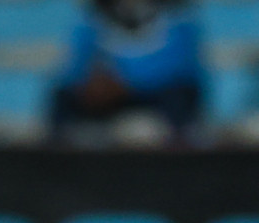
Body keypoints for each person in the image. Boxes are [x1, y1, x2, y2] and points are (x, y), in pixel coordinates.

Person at [49, 0, 204, 138]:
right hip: (107, 97)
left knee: (179, 95)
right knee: (64, 95)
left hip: (156, 95)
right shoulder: (91, 21)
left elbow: (181, 68)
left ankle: (181, 145)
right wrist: (92, 84)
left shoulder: (179, 18)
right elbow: (75, 69)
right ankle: (58, 151)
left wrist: (126, 83)